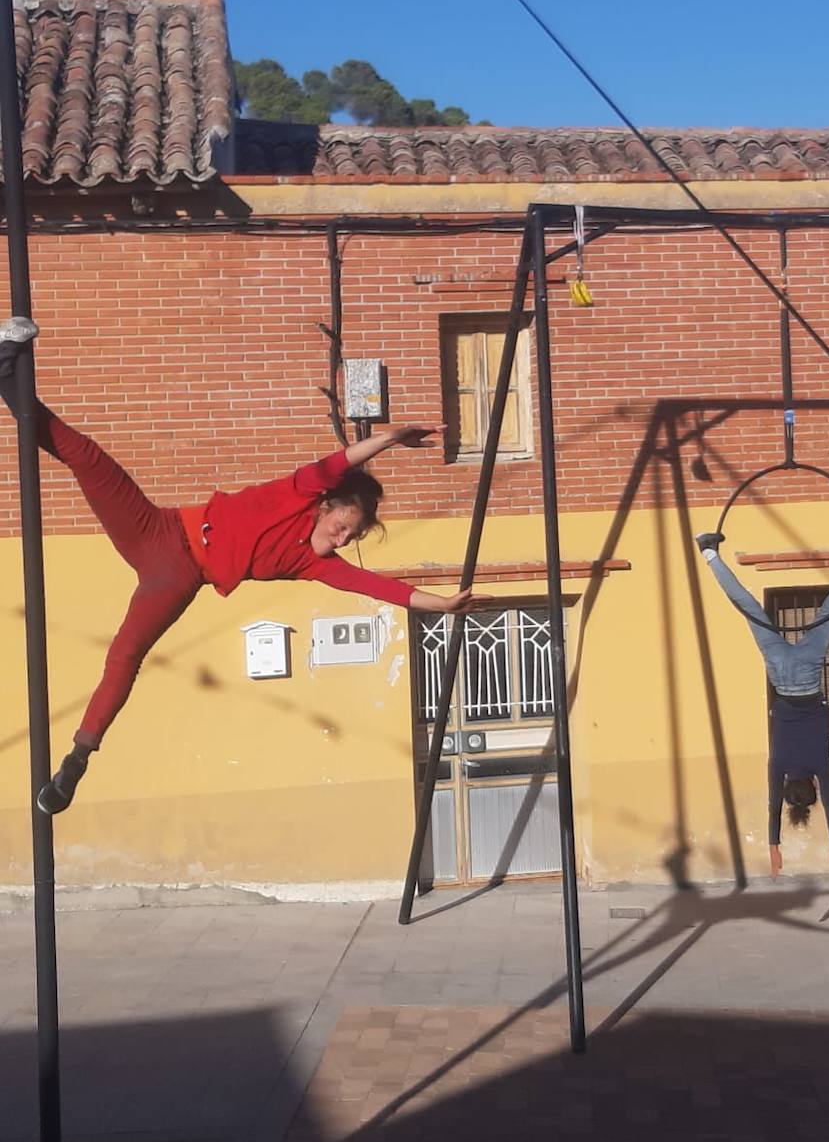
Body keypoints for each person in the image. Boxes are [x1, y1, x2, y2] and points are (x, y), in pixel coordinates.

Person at [0, 320, 487, 815]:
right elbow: (335, 464)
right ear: (325, 507)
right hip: (155, 528)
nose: (342, 539)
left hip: (179, 576)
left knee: (125, 657)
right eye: (343, 525)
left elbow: (378, 587)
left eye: (351, 537)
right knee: (88, 458)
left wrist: (443, 604)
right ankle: (8, 380)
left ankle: (76, 762)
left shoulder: (309, 564)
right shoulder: (295, 494)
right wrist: (389, 438)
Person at [695, 523, 829, 880]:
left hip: (809, 676)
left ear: (811, 784)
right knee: (748, 607)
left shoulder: (819, 765)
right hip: (781, 674)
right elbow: (771, 808)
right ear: (787, 786)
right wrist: (773, 849)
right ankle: (708, 552)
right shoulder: (778, 765)